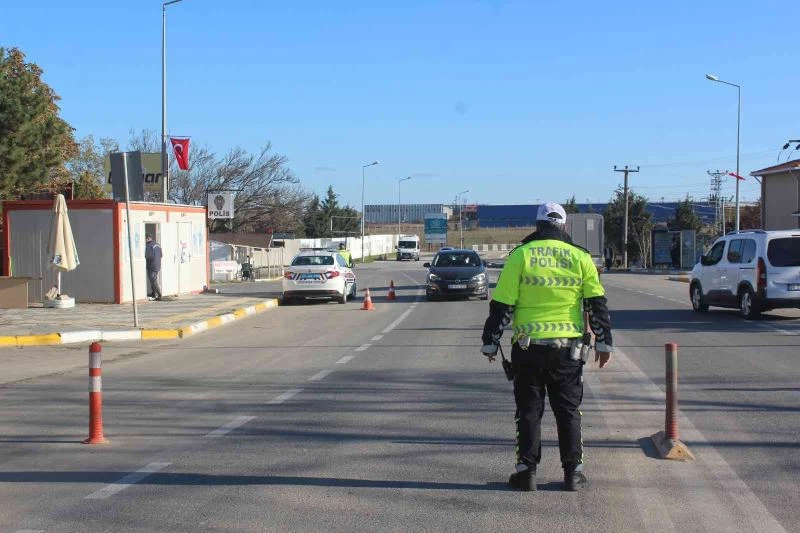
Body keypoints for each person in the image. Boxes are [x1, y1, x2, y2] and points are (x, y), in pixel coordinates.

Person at [481, 202, 613, 492]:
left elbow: (502, 305)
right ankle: (573, 474)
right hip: (568, 351)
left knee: (528, 411)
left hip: (528, 350)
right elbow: (596, 303)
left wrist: (491, 343)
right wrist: (604, 342)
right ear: (563, 227)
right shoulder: (581, 257)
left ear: (538, 226)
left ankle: (526, 472)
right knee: (568, 411)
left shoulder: (521, 255)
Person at [145, 234, 162, 301]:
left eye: (145, 239)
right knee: (153, 279)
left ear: (148, 238)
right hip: (157, 265)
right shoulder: (157, 244)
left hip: (152, 265)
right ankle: (153, 293)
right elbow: (161, 255)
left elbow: (148, 256)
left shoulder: (149, 246)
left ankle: (159, 294)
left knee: (153, 280)